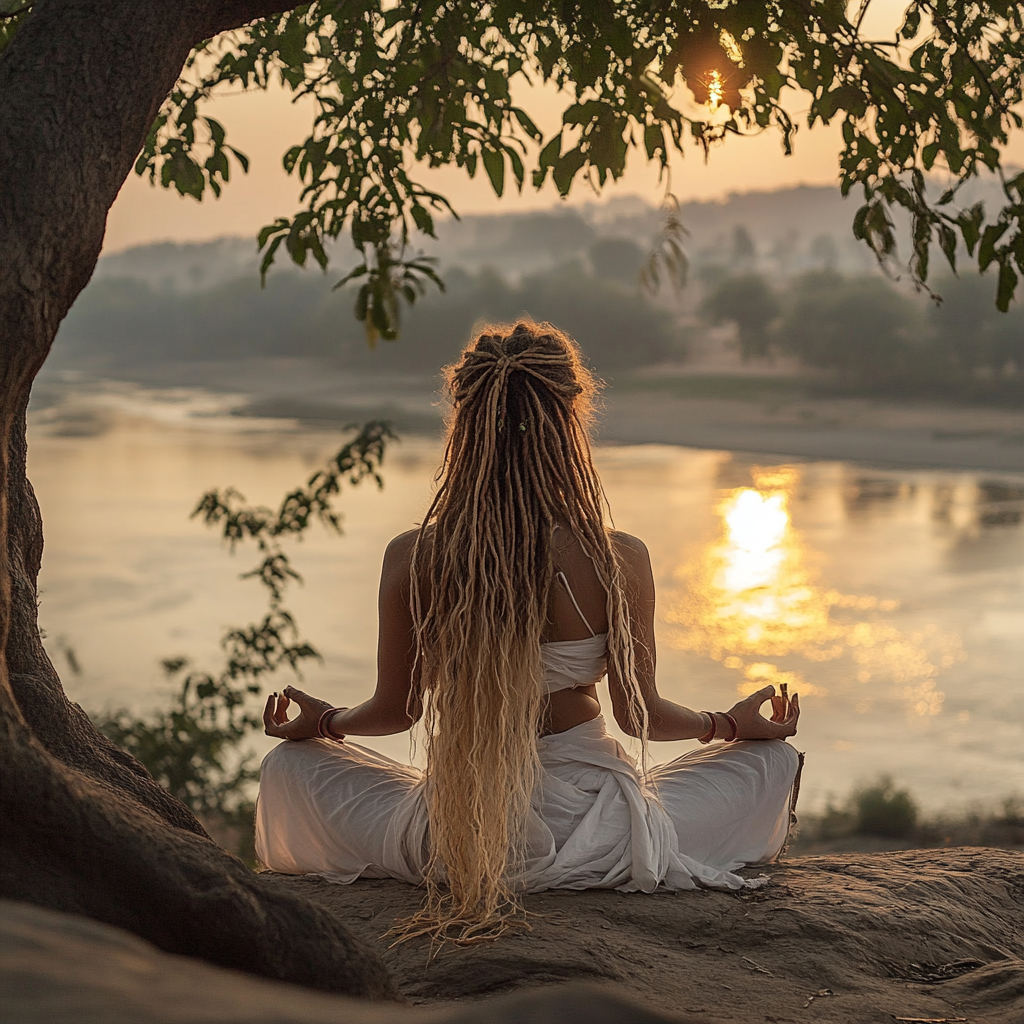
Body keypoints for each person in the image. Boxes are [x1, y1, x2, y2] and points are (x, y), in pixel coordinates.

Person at [255, 320, 801, 943]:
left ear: (465, 424)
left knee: (287, 767)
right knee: (769, 759)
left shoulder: (416, 554)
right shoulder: (615, 556)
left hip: (453, 838)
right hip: (598, 835)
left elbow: (396, 712)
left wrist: (322, 725)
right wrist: (733, 727)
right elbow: (641, 718)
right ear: (569, 421)